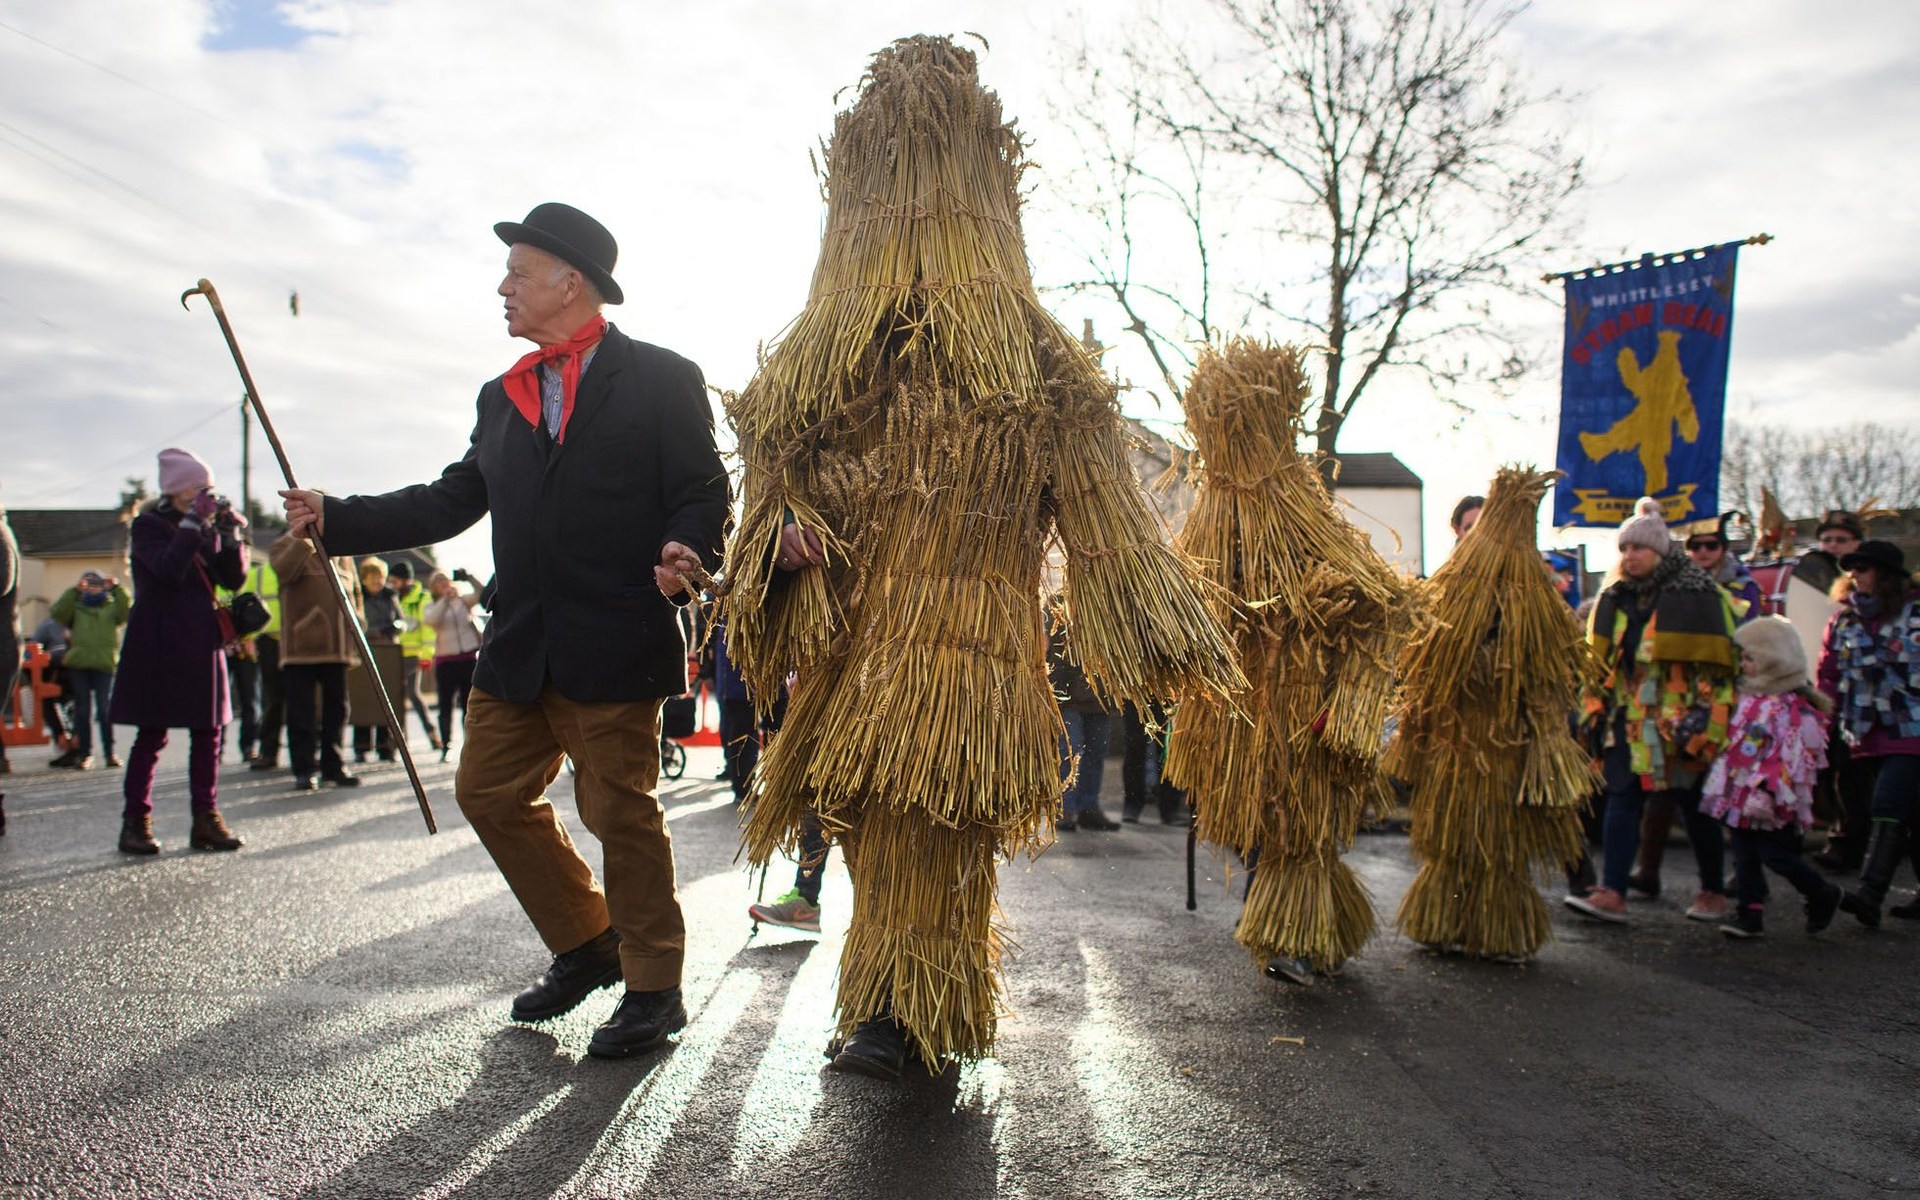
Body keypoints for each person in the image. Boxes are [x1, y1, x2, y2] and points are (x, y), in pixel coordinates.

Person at [281, 201, 728, 1060]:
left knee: (619, 813)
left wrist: (687, 544)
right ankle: (588, 941)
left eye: (518, 272)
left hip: (616, 635)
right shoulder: (501, 396)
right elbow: (450, 500)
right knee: (486, 792)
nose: (504, 287)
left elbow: (705, 490)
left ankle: (654, 988)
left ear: (571, 282)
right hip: (519, 641)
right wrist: (336, 516)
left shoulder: (664, 378)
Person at [1566, 497, 1738, 924]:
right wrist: (1595, 708)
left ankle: (1713, 890)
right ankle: (1612, 892)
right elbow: (1600, 663)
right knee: (1622, 797)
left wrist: (1706, 719)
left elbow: (1717, 665)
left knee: (1693, 805)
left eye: (1638, 548)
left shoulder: (1699, 595)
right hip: (1627, 720)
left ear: (1659, 551)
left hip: (1679, 721)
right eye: (1624, 549)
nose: (1630, 556)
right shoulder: (1614, 598)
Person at [108, 447, 247, 854]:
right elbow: (167, 571)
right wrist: (193, 523)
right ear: (176, 488)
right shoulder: (148, 526)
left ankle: (206, 818)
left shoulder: (203, 525)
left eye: (210, 486)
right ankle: (136, 821)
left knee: (209, 734)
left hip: (203, 640)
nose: (207, 492)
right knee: (152, 734)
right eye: (198, 485)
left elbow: (233, 579)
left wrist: (230, 535)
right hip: (159, 641)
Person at [1704, 615, 1843, 938]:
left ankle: (1822, 893)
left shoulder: (1793, 709)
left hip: (1774, 795)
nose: (1744, 664)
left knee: (1775, 854)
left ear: (1774, 661)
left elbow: (1797, 758)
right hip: (1742, 790)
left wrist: (1772, 788)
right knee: (1743, 853)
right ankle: (1749, 913)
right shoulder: (1750, 698)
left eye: (1750, 658)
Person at [1819, 540, 1920, 926]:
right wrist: (1823, 723)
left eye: (1864, 567)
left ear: (1888, 576)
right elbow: (1828, 675)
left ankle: (1870, 894)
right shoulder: (1843, 620)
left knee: (1888, 801)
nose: (1854, 574)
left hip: (1911, 726)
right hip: (1863, 730)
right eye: (1852, 569)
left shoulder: (1915, 614)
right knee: (1911, 812)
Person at [270, 534, 364, 792]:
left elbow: (354, 592)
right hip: (300, 648)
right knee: (302, 713)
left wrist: (358, 624)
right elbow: (284, 572)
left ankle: (333, 767)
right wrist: (304, 539)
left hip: (337, 648)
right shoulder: (285, 544)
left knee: (337, 711)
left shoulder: (342, 551)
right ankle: (304, 769)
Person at [49, 571, 130, 770]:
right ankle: (85, 754)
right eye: (89, 584)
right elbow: (58, 613)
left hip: (104, 664)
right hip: (79, 664)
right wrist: (73, 592)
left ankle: (110, 753)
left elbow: (127, 612)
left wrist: (118, 588)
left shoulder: (111, 606)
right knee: (82, 711)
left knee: (104, 710)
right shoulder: (76, 606)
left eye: (97, 584)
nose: (93, 588)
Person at [1049, 610, 1121, 832]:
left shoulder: (1108, 609)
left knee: (1096, 753)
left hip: (1099, 695)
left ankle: (1088, 808)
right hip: (1068, 694)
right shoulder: (1058, 606)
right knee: (1070, 752)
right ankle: (1066, 808)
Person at [422, 569, 483, 762]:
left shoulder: (463, 602)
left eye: (445, 580)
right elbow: (431, 621)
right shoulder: (432, 605)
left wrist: (469, 577)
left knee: (469, 705)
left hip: (468, 658)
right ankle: (446, 744)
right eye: (438, 582)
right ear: (434, 587)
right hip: (445, 661)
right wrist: (445, 600)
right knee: (445, 706)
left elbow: (482, 593)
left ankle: (471, 744)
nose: (443, 584)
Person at [350, 557, 404, 763]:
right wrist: (369, 633)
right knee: (363, 696)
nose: (376, 582)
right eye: (372, 578)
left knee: (386, 697)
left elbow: (400, 621)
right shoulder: (358, 597)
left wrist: (390, 630)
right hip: (365, 649)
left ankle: (385, 745)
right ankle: (361, 745)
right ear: (364, 579)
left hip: (387, 651)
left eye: (379, 578)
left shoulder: (390, 597)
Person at [388, 560, 442, 752]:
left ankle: (432, 733)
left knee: (412, 694)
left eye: (395, 580)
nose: (392, 584)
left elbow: (428, 630)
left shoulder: (422, 598)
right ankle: (399, 740)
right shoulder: (393, 597)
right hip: (394, 654)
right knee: (394, 696)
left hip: (414, 655)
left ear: (405, 580)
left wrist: (426, 654)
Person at [241, 539, 285, 772]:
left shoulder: (295, 567)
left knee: (288, 701)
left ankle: (294, 754)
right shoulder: (256, 575)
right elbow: (245, 608)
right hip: (268, 642)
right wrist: (247, 638)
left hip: (293, 640)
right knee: (273, 699)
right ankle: (269, 751)